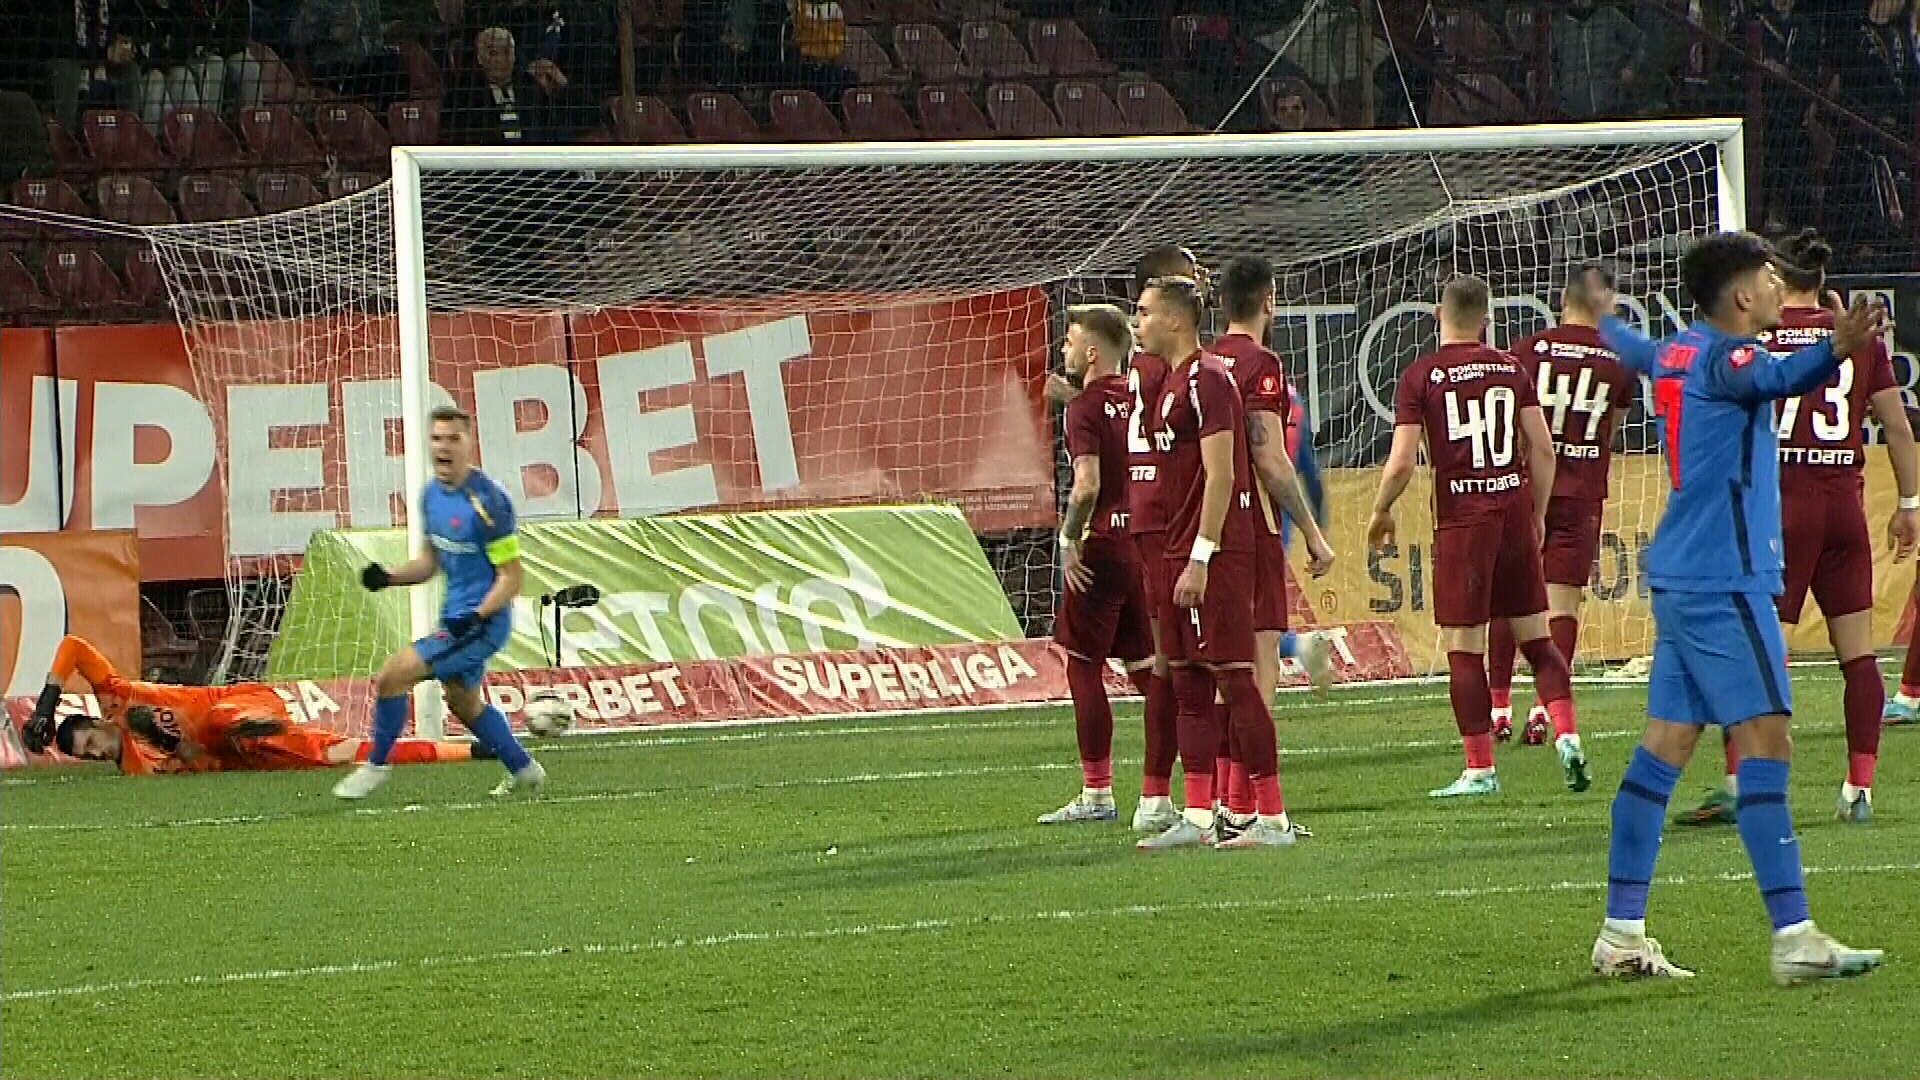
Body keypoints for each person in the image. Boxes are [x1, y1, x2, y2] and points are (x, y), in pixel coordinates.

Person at [1590, 230, 1886, 984]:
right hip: (1729, 579)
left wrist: (1604, 320)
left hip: (1683, 575)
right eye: (1766, 274)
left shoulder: (1675, 351)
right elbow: (1779, 379)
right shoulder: (1731, 358)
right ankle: (1794, 937)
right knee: (1768, 744)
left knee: (1666, 749)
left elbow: (1634, 351)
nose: (1778, 284)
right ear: (1741, 295)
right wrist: (1839, 348)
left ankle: (1621, 933)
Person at [1675, 230, 1917, 826]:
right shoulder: (1858, 340)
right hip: (1844, 506)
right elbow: (1898, 429)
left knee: (1754, 650)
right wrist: (1910, 502)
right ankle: (1858, 789)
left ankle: (1741, 783)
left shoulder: (1758, 333)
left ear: (1775, 278)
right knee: (1858, 656)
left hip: (1780, 508)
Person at [1368, 275, 1589, 797]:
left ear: (1436, 317)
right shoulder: (1511, 368)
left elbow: (1402, 462)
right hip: (1513, 511)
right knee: (1537, 638)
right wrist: (1535, 514)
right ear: (1487, 320)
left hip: (1464, 521)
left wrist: (1381, 508)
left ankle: (1480, 769)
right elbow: (1543, 449)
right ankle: (1568, 735)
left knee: (1464, 649)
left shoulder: (1421, 374)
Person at [1135, 274, 1303, 849]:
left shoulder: (1208, 379)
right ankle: (1200, 815)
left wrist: (1202, 557)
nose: (1138, 323)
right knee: (1187, 683)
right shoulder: (1170, 381)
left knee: (1236, 679)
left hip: (1217, 553)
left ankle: (1272, 820)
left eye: (1145, 312)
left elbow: (1225, 473)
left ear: (1176, 320)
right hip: (1177, 548)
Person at [332, 405, 546, 800]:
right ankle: (524, 769)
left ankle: (376, 766)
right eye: (436, 438)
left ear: (468, 444)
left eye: (453, 438)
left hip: (482, 621)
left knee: (394, 674)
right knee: (463, 703)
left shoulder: (489, 504)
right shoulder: (431, 497)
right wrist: (390, 577)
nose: (443, 447)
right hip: (456, 616)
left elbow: (512, 578)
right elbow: (430, 564)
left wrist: (476, 616)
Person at [1207, 255, 1336, 836]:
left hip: (1200, 537)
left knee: (1217, 675)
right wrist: (1312, 531)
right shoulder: (1261, 364)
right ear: (1270, 300)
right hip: (1248, 530)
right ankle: (1254, 808)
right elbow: (1270, 456)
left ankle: (1217, 803)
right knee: (1257, 676)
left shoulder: (1202, 361)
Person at [1486, 263, 1637, 745]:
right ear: (1604, 302)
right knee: (1563, 603)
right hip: (1581, 491)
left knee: (1509, 598)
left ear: (1562, 300)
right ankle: (1543, 709)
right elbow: (1610, 431)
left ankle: (1498, 708)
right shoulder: (1619, 359)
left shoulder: (1526, 352)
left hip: (1526, 488)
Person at [20, 635, 479, 774]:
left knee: (231, 726)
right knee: (336, 756)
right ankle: (469, 750)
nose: (95, 751)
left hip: (242, 706)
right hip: (240, 755)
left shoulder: (117, 700)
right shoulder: (136, 773)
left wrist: (45, 703)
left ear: (97, 721)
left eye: (90, 740)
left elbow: (75, 646)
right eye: (86, 754)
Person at [1039, 303, 1160, 825]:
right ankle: (1203, 773)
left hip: (1101, 546)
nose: (1061, 351)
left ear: (1091, 351)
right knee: (1149, 673)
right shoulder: (1139, 396)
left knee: (1082, 665)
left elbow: (1087, 484)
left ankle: (1097, 793)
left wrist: (1069, 538)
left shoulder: (1082, 409)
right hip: (1141, 545)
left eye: (1067, 342)